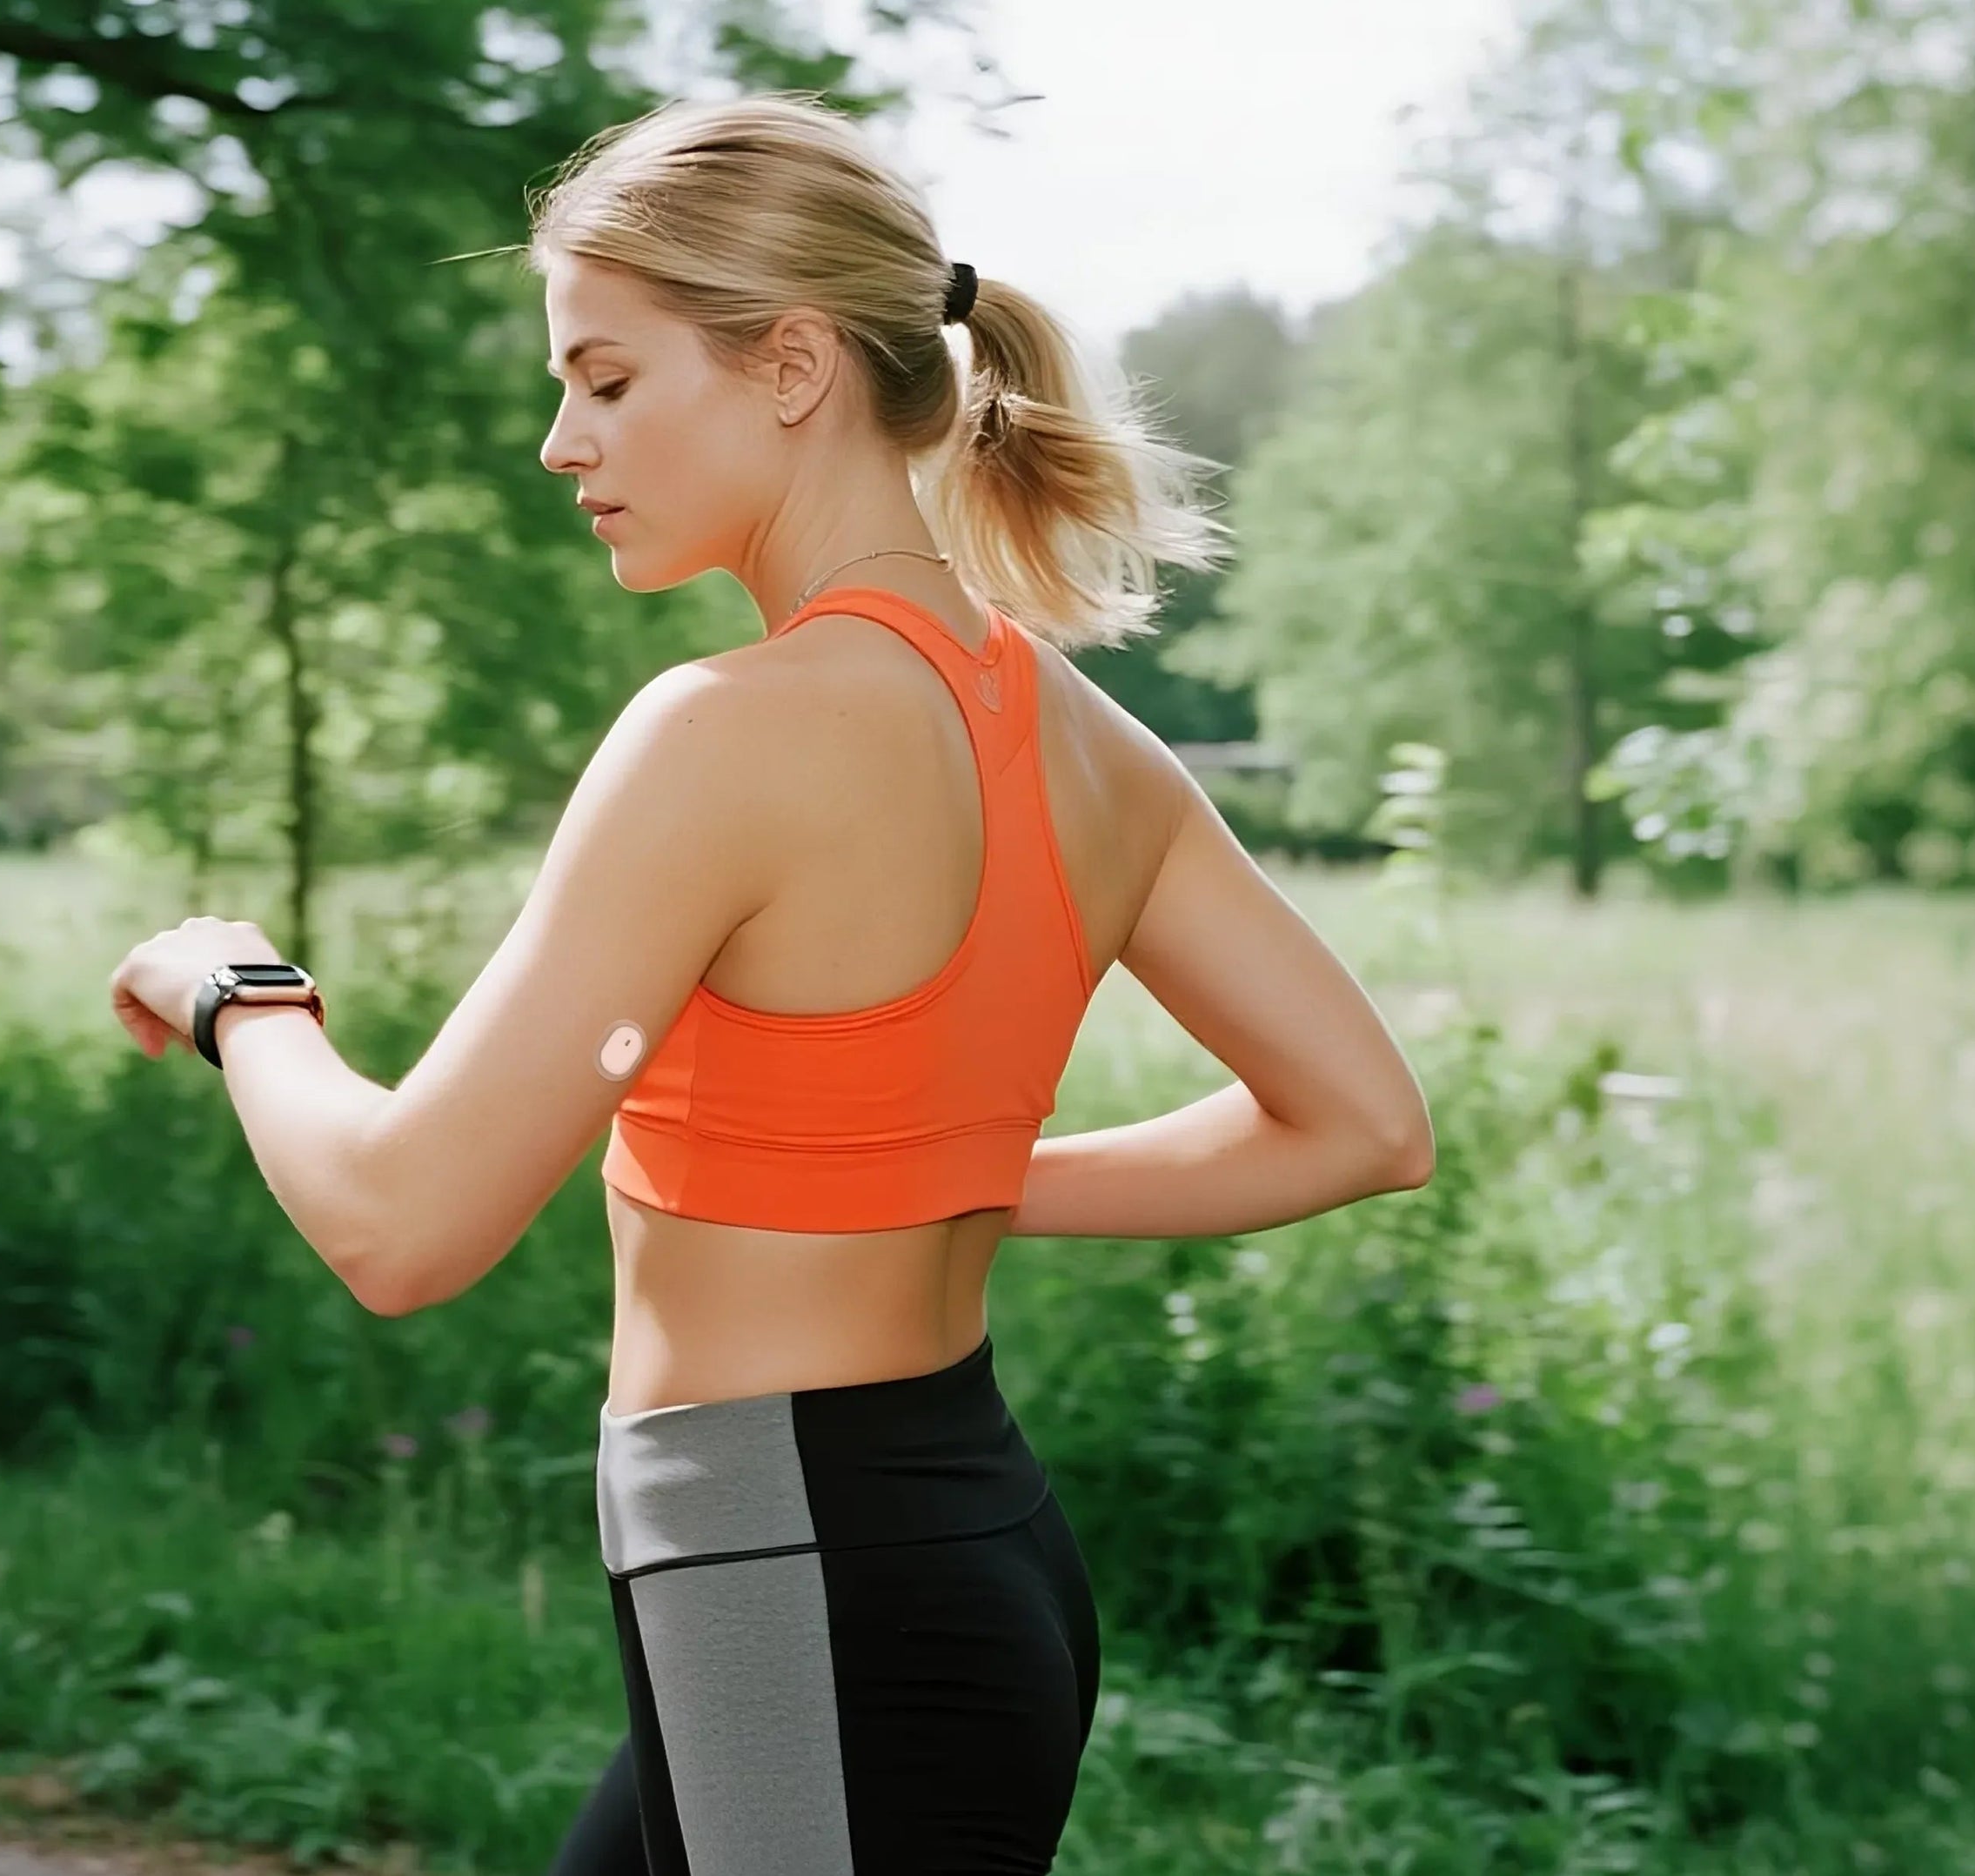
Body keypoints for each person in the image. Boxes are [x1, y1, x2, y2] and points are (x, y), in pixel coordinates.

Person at [106, 90, 1436, 1876]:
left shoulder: (725, 733)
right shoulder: (1081, 734)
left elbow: (401, 1226)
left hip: (804, 1584)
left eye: (607, 378)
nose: (562, 441)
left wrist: (242, 994)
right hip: (941, 1552)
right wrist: (931, 1176)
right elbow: (1361, 1124)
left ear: (794, 365)